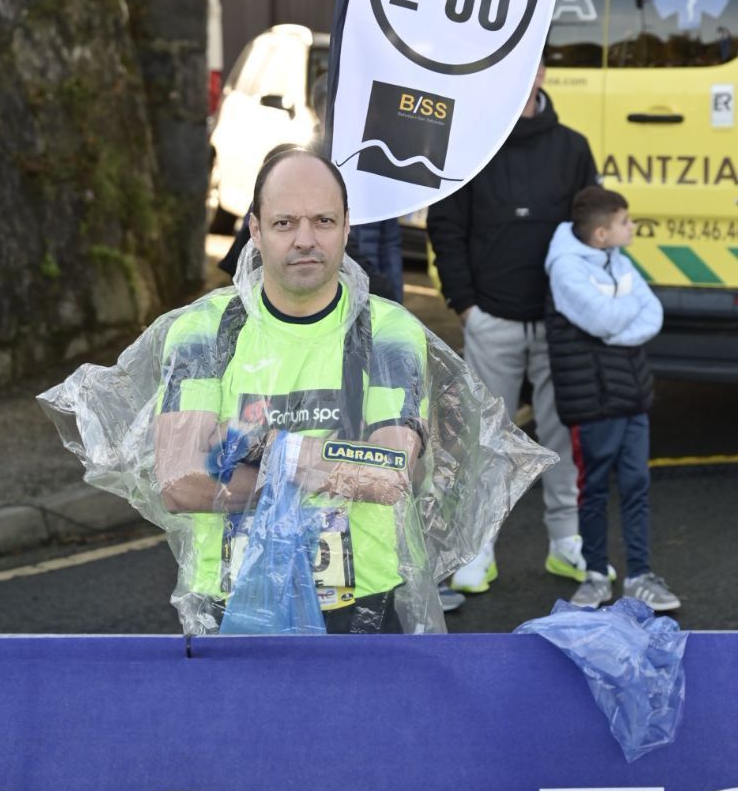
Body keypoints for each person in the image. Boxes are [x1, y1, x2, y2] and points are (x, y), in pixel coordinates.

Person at [41, 147, 555, 636]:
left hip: (360, 606)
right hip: (234, 601)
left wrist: (264, 447)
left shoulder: (388, 332)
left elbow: (387, 476)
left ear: (347, 229)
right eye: (285, 223)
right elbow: (180, 482)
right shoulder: (204, 331)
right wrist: (328, 470)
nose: (305, 239)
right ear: (256, 231)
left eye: (323, 221)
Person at [427, 59, 598, 597]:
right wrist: (466, 306)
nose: (526, 74)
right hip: (491, 318)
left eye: (534, 63)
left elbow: (591, 232)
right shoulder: (472, 146)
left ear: (544, 71)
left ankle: (566, 542)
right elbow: (446, 227)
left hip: (558, 324)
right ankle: (479, 550)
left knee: (564, 438)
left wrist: (579, 306)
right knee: (484, 442)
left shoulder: (573, 147)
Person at [545, 186, 680, 611]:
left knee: (637, 486)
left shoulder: (617, 261)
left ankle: (639, 575)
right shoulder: (566, 270)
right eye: (625, 221)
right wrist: (621, 317)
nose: (633, 227)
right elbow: (603, 319)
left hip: (632, 395)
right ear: (602, 234)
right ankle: (595, 575)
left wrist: (614, 326)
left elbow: (652, 311)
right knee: (595, 489)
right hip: (593, 403)